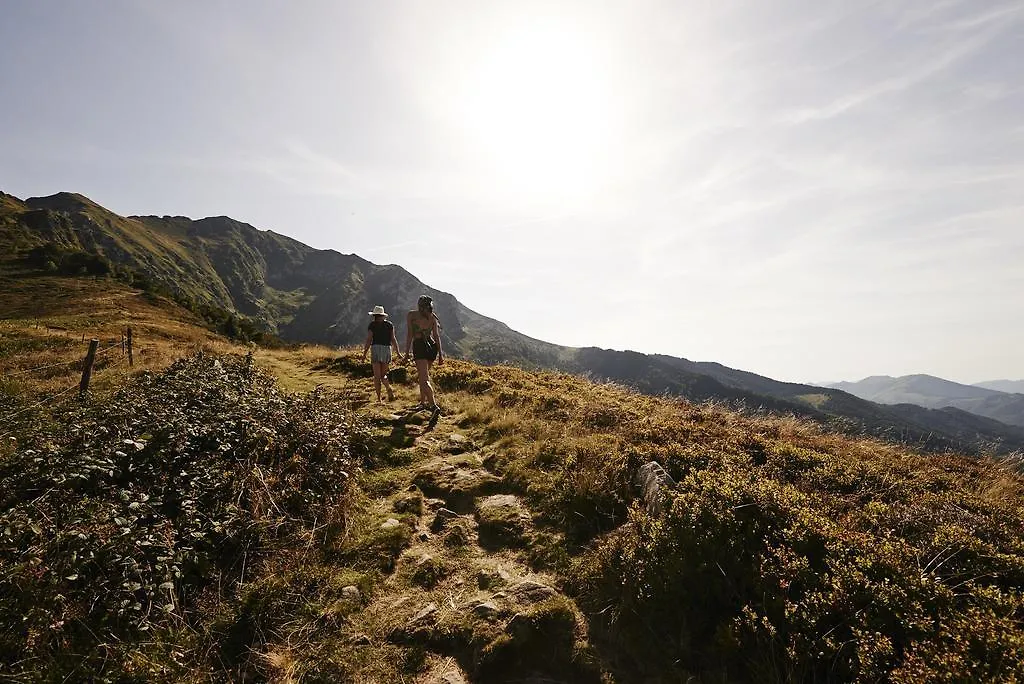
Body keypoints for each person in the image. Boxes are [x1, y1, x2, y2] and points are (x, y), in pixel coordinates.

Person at [405, 294, 443, 410]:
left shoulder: (412, 315)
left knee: (424, 379)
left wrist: (406, 353)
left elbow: (410, 334)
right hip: (432, 348)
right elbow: (436, 336)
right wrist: (440, 355)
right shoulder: (433, 318)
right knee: (423, 377)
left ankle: (433, 405)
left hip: (420, 346)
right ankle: (422, 403)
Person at [362, 305, 401, 403]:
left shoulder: (372, 325)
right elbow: (393, 339)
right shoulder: (389, 325)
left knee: (377, 376)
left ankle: (379, 399)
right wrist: (398, 352)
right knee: (383, 375)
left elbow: (369, 339)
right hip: (386, 350)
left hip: (375, 349)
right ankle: (388, 388)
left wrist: (364, 354)